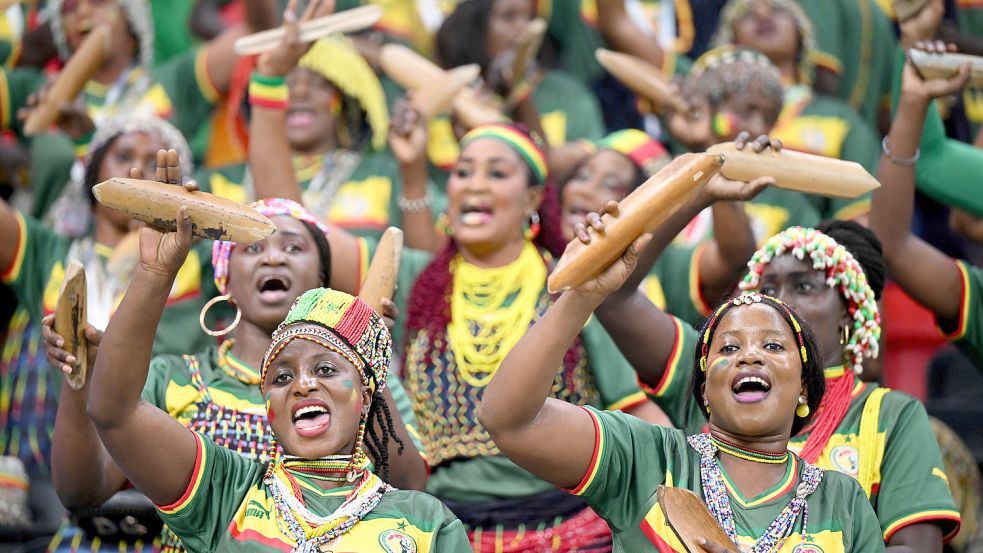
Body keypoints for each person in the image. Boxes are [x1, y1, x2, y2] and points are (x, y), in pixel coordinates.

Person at [84, 205, 469, 551]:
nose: (303, 384)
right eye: (282, 378)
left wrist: (368, 355)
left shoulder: (425, 522)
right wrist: (155, 273)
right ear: (266, 407)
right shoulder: (228, 495)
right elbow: (114, 412)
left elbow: (409, 476)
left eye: (326, 369)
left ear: (368, 396)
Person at [588, 210, 962, 548]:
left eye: (804, 287)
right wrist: (703, 188)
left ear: (848, 315)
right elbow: (614, 295)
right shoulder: (719, 370)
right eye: (767, 290)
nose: (781, 302)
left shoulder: (889, 415)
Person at [478, 250, 886, 552]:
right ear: (705, 389)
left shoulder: (842, 500)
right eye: (727, 349)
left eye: (773, 345)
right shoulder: (648, 458)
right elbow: (510, 421)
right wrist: (583, 297)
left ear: (803, 388)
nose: (749, 355)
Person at [397, 120, 663, 550]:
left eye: (497, 173)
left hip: (572, 531)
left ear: (534, 198)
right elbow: (298, 238)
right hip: (448, 533)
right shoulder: (418, 283)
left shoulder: (571, 283)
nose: (474, 185)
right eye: (463, 172)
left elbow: (636, 409)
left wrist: (680, 496)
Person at [0, 118, 215, 531]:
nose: (139, 169)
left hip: (160, 476)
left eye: (154, 163)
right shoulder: (49, 251)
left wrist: (199, 224)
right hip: (50, 467)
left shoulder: (195, 259)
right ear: (93, 169)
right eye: (123, 156)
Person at [559, 128, 760, 327]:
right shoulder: (537, 256)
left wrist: (718, 164)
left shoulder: (665, 264)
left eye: (610, 185)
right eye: (582, 176)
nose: (585, 190)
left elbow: (734, 257)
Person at [710, 0, 881, 221]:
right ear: (731, 41)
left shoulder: (840, 119)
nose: (763, 14)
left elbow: (860, 224)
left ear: (802, 34)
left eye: (779, 9)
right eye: (748, 14)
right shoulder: (707, 113)